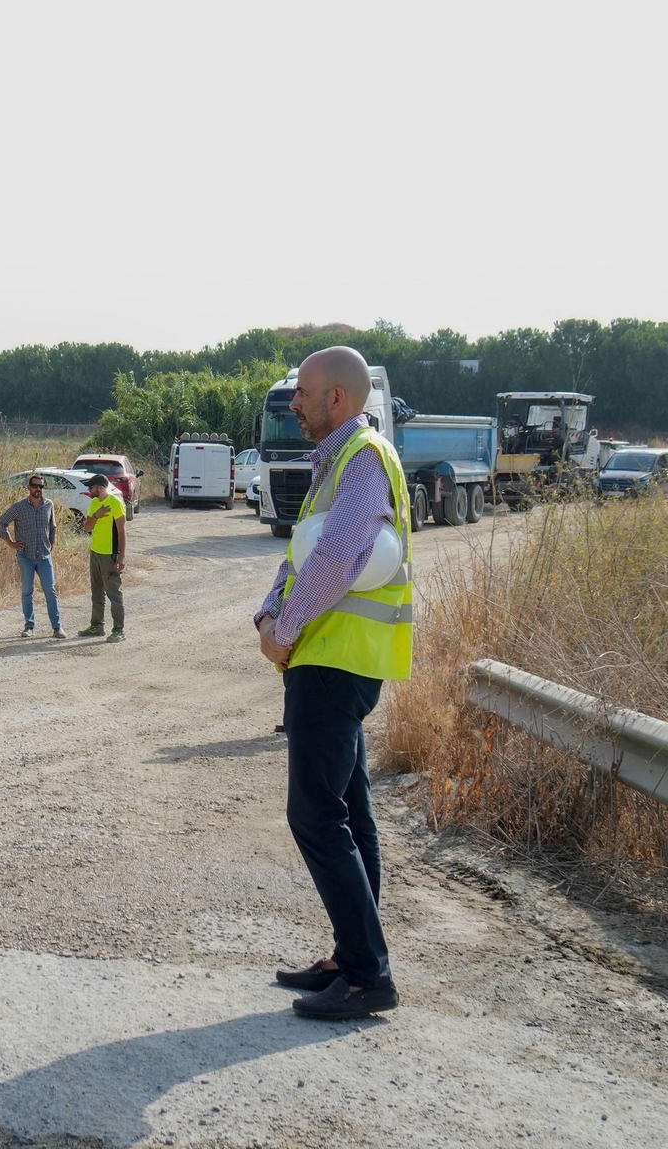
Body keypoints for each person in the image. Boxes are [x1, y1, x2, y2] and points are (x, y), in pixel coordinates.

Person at [254, 345, 412, 1020]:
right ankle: (353, 958)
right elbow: (303, 554)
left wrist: (284, 631)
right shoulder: (335, 465)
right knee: (351, 813)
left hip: (332, 662)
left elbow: (341, 556)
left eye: (304, 394)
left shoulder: (363, 459)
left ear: (338, 400)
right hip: (330, 659)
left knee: (316, 814)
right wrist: (268, 612)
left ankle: (368, 973)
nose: (294, 404)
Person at [0, 473, 62, 638]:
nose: (38, 489)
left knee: (50, 590)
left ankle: (57, 627)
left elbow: (53, 527)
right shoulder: (19, 507)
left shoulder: (49, 505)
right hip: (26, 556)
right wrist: (10, 543)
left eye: (41, 486)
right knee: (27, 591)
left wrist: (52, 543)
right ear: (28, 487)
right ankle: (29, 627)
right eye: (35, 485)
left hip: (44, 555)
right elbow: (1, 522)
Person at [78, 474, 126, 643]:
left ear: (99, 487)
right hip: (95, 552)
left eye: (90, 488)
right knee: (97, 591)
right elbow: (87, 528)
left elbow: (121, 531)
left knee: (113, 593)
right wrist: (96, 515)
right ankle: (97, 626)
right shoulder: (94, 503)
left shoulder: (115, 502)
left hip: (110, 555)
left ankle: (119, 630)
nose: (89, 491)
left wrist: (121, 556)